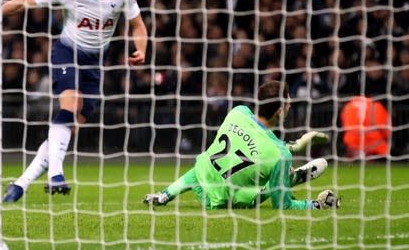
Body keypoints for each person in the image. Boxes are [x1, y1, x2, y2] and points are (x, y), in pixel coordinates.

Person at [2, 0, 147, 202]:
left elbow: (138, 25)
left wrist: (141, 49)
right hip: (67, 52)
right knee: (69, 108)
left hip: (94, 63)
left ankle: (21, 184)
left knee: (69, 130)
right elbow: (24, 3)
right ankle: (55, 175)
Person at [143, 81, 340, 210]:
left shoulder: (238, 112)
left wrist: (166, 194)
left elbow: (256, 138)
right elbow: (282, 205)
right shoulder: (280, 154)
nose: (291, 106)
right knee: (267, 181)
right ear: (279, 111)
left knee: (207, 161)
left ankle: (163, 195)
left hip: (202, 181)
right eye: (288, 103)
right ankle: (290, 177)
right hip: (224, 201)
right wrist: (315, 205)